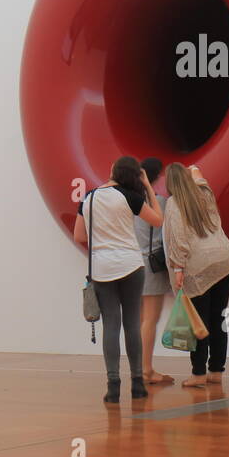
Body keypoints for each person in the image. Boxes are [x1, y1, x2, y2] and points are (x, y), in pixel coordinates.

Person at [73, 156, 163, 403]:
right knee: (132, 324)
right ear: (135, 175)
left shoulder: (88, 198)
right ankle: (137, 385)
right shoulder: (130, 196)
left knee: (111, 326)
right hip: (131, 265)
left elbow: (79, 234)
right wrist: (147, 188)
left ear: (112, 170)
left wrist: (103, 243)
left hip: (102, 268)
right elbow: (158, 220)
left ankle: (113, 386)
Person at [162, 162, 229, 388]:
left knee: (198, 322)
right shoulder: (204, 193)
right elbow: (199, 175)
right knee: (219, 318)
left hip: (199, 265)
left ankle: (198, 373)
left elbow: (178, 240)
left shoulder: (173, 204)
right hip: (224, 259)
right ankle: (216, 371)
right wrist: (191, 169)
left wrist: (178, 269)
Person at [135, 157, 172, 385]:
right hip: (151, 265)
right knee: (151, 319)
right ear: (157, 176)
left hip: (130, 264)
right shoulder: (160, 202)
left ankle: (140, 367)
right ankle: (146, 369)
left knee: (139, 320)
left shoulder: (127, 201)